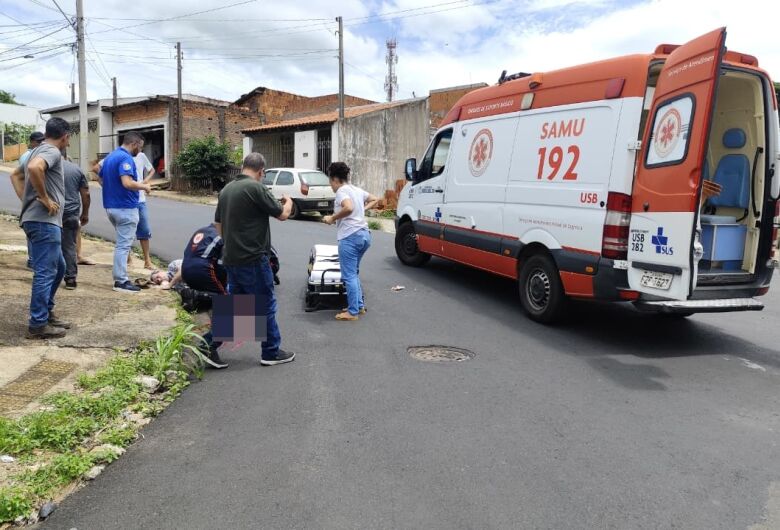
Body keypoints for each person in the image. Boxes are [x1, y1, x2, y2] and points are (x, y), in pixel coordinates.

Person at [214, 152, 294, 366]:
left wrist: (231, 243)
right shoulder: (256, 187)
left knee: (238, 307)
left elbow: (218, 224)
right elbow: (282, 215)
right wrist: (289, 202)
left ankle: (207, 346)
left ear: (243, 166)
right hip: (253, 258)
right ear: (261, 171)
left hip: (232, 258)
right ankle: (271, 352)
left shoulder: (226, 190)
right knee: (264, 305)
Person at [8, 118, 72, 339]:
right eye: (69, 139)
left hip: (38, 221)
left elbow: (15, 175)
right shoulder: (52, 152)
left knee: (60, 268)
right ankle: (38, 324)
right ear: (65, 136)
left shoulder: (35, 151)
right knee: (45, 273)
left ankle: (46, 313)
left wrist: (27, 202)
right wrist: (43, 199)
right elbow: (35, 169)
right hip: (44, 223)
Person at [322, 162, 379, 321]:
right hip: (364, 235)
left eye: (330, 181)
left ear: (334, 179)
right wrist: (362, 209)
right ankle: (358, 306)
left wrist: (332, 218)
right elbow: (375, 199)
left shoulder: (341, 191)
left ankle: (352, 312)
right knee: (353, 272)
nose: (330, 185)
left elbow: (348, 207)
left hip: (350, 237)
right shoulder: (356, 189)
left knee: (349, 275)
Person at [99, 132, 151, 293]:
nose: (140, 151)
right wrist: (144, 186)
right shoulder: (125, 158)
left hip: (111, 207)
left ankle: (120, 279)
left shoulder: (110, 157)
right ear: (134, 144)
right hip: (125, 208)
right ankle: (121, 281)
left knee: (121, 244)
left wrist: (111, 192)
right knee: (123, 246)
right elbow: (127, 183)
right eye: (140, 147)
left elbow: (100, 178)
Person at [61, 157, 90, 290]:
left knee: (49, 244)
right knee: (69, 246)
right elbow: (86, 194)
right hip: (71, 212)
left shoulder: (45, 167)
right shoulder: (76, 169)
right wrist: (85, 213)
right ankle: (70, 278)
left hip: (50, 212)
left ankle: (47, 275)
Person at [19, 131, 45, 268]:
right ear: (32, 142)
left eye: (42, 141)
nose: (41, 143)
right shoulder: (29, 156)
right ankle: (33, 260)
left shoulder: (38, 154)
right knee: (34, 230)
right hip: (34, 198)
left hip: (35, 198)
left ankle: (34, 259)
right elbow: (20, 177)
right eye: (38, 141)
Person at [133, 149, 155, 269]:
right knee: (127, 232)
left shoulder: (141, 156)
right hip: (126, 201)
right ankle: (128, 258)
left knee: (144, 230)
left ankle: (147, 260)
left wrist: (145, 181)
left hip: (140, 199)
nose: (139, 149)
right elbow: (97, 168)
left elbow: (152, 170)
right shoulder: (120, 156)